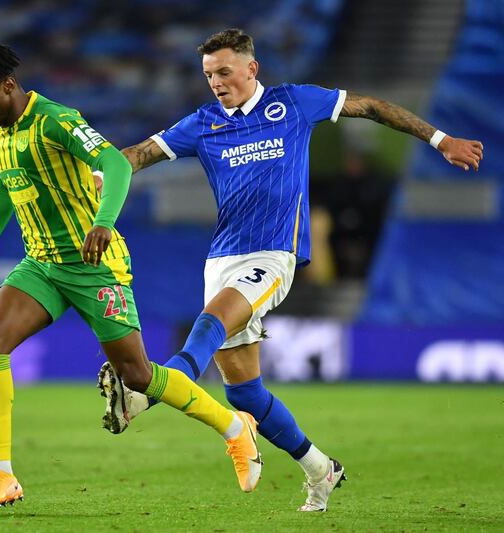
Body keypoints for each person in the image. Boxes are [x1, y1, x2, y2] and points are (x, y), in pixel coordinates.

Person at [96, 28, 484, 512]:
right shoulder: (203, 123)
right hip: (221, 259)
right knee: (245, 392)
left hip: (273, 256)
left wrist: (441, 138)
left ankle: (141, 397)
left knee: (209, 324)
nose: (215, 82)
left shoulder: (294, 104)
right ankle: (322, 469)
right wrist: (96, 176)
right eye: (208, 75)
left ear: (251, 68)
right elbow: (135, 156)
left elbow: (372, 107)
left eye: (224, 72)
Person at [0, 38, 263, 512]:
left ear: (8, 85)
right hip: (42, 264)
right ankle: (2, 476)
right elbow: (4, 179)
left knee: (137, 375)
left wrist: (103, 220)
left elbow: (115, 163)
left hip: (96, 265)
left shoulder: (56, 120)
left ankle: (235, 427)